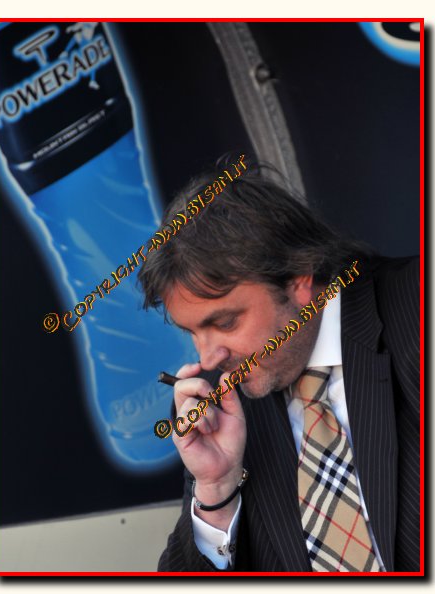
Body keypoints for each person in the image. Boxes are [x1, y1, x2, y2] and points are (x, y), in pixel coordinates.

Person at [137, 158, 420, 572]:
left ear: (300, 278)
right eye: (191, 332)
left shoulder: (418, 309)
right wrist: (216, 490)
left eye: (226, 323)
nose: (208, 358)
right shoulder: (216, 404)